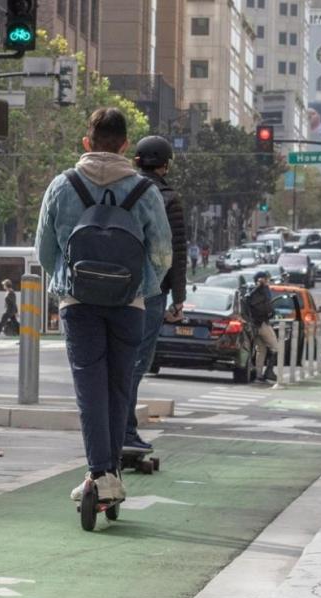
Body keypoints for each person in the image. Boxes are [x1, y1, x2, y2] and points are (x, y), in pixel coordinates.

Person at [35, 107, 172, 502]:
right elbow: (162, 253)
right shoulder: (145, 192)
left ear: (86, 142)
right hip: (129, 303)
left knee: (89, 386)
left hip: (78, 302)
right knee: (120, 385)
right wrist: (139, 286)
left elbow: (44, 250)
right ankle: (110, 473)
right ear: (126, 146)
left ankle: (100, 473)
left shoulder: (63, 186)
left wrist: (69, 280)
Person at [124, 135, 187, 453]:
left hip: (115, 286)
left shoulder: (122, 189)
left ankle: (113, 426)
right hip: (151, 291)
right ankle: (125, 430)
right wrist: (178, 297)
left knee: (115, 361)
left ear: (136, 160)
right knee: (137, 363)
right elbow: (175, 250)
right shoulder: (168, 198)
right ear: (165, 164)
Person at [247, 272, 278, 382]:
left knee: (261, 349)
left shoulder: (251, 290)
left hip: (253, 324)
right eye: (266, 279)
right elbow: (266, 307)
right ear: (261, 280)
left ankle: (259, 375)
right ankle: (268, 372)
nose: (268, 281)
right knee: (275, 347)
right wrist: (271, 312)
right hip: (261, 323)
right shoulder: (262, 290)